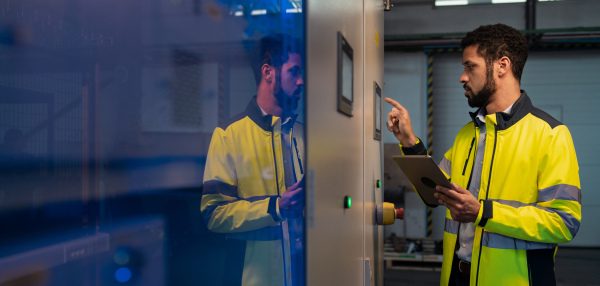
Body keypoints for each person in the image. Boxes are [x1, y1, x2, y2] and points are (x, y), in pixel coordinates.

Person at [385, 24, 581, 286]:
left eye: (470, 66)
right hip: (457, 277)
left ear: (502, 65)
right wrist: (409, 141)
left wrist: (483, 212)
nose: (462, 77)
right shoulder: (468, 134)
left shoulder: (550, 135)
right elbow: (434, 193)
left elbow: (563, 222)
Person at [201, 33, 305, 286]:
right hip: (253, 278)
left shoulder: (303, 134)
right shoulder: (229, 135)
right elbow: (214, 214)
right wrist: (276, 207)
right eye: (294, 72)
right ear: (268, 72)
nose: (302, 82)